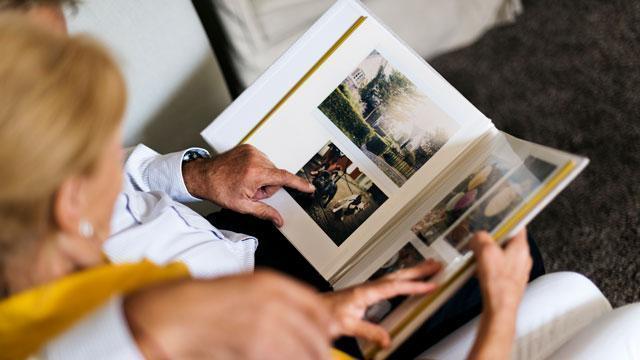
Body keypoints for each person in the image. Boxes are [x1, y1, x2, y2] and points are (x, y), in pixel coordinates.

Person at [0, 0, 546, 358]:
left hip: (234, 260)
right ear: (70, 200)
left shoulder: (108, 300)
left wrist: (195, 175)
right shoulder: (159, 311)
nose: (121, 158)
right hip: (238, 294)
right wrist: (499, 316)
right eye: (102, 148)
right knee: (501, 261)